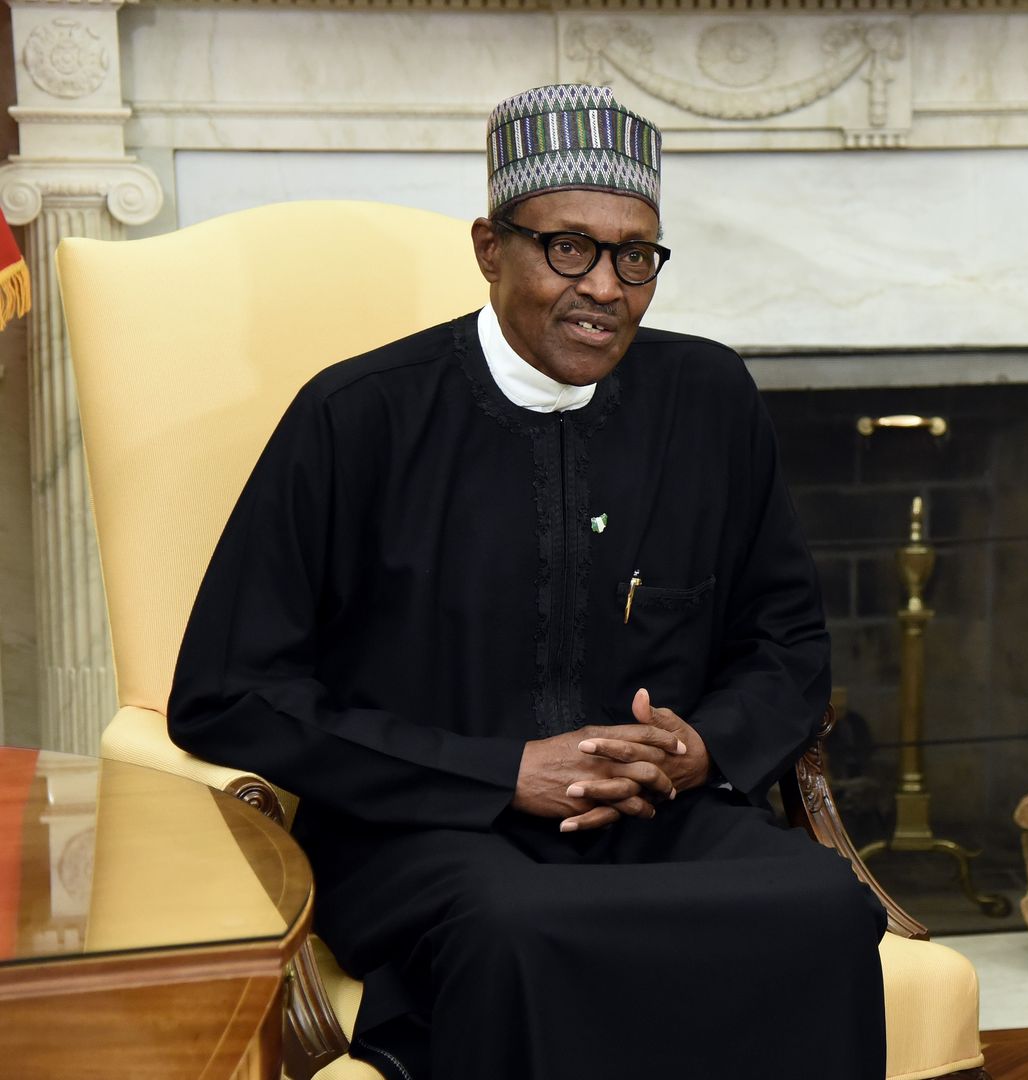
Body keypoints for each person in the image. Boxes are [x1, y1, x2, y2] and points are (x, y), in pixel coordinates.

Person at [168, 84, 886, 1080]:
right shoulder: (358, 416)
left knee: (824, 903)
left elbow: (787, 642)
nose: (606, 288)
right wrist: (498, 771)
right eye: (568, 248)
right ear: (488, 247)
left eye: (635, 256)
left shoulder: (708, 397)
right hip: (424, 829)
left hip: (658, 817)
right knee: (519, 924)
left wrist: (699, 749)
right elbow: (229, 693)